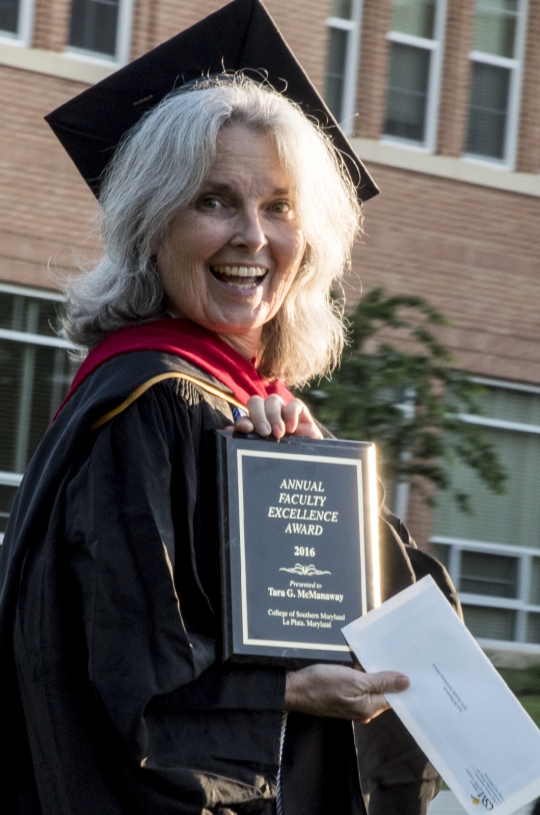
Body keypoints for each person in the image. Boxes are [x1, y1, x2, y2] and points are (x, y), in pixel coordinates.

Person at [0, 2, 460, 814]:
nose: (253, 236)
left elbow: (407, 638)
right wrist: (277, 694)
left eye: (280, 206)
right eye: (214, 200)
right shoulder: (148, 406)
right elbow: (122, 681)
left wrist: (323, 489)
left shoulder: (250, 412)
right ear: (153, 225)